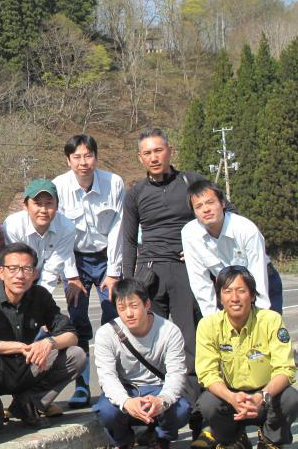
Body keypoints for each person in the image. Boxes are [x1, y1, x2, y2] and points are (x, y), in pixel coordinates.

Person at [121, 128, 208, 395]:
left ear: (170, 150)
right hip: (150, 273)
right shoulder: (136, 193)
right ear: (140, 157)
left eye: (159, 150)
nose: (154, 157)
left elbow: (220, 214)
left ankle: (194, 411)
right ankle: (158, 406)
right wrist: (128, 285)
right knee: (153, 340)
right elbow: (128, 240)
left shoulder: (190, 182)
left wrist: (200, 248)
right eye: (147, 153)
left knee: (188, 338)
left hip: (185, 269)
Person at [0, 242, 86, 434]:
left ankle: (28, 403)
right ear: (1, 272)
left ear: (35, 273)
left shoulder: (40, 295)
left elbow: (71, 335)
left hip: (29, 364)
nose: (20, 275)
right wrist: (15, 346)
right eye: (13, 268)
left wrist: (49, 343)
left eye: (26, 269)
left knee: (77, 355)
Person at [53, 133, 125, 408]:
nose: (83, 162)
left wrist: (115, 271)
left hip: (108, 258)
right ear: (68, 160)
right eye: (77, 157)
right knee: (78, 322)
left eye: (88, 155)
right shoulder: (59, 186)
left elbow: (119, 229)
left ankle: (114, 384)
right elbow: (60, 234)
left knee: (113, 320)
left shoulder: (113, 182)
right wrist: (70, 274)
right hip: (76, 260)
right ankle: (81, 386)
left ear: (96, 156)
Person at [195, 266, 297, 449]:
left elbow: (286, 369)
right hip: (230, 396)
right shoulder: (208, 325)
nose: (234, 298)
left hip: (267, 395)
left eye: (241, 291)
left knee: (290, 398)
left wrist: (261, 396)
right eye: (227, 292)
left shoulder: (271, 320)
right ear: (219, 297)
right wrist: (231, 397)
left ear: (252, 295)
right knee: (207, 403)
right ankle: (233, 438)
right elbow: (206, 374)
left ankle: (270, 439)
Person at [93, 278, 192, 449]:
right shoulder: (106, 334)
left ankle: (161, 438)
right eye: (122, 308)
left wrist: (163, 400)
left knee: (182, 409)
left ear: (147, 305)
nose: (128, 314)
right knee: (106, 410)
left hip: (157, 388)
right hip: (127, 388)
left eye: (134, 306)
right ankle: (123, 441)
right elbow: (107, 377)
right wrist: (126, 402)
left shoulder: (169, 331)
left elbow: (177, 373)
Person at [182, 179, 283, 316]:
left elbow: (258, 272)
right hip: (226, 286)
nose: (206, 209)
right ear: (194, 212)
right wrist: (212, 320)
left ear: (222, 203)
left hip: (262, 280)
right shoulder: (189, 234)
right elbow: (199, 281)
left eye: (210, 202)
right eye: (198, 206)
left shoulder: (245, 229)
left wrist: (261, 315)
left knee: (268, 330)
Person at [1, 178, 84, 297]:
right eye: (37, 204)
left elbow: (53, 268)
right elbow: (15, 265)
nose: (43, 210)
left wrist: (38, 298)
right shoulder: (12, 226)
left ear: (57, 206)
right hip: (17, 276)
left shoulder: (67, 228)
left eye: (49, 203)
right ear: (25, 205)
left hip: (44, 277)